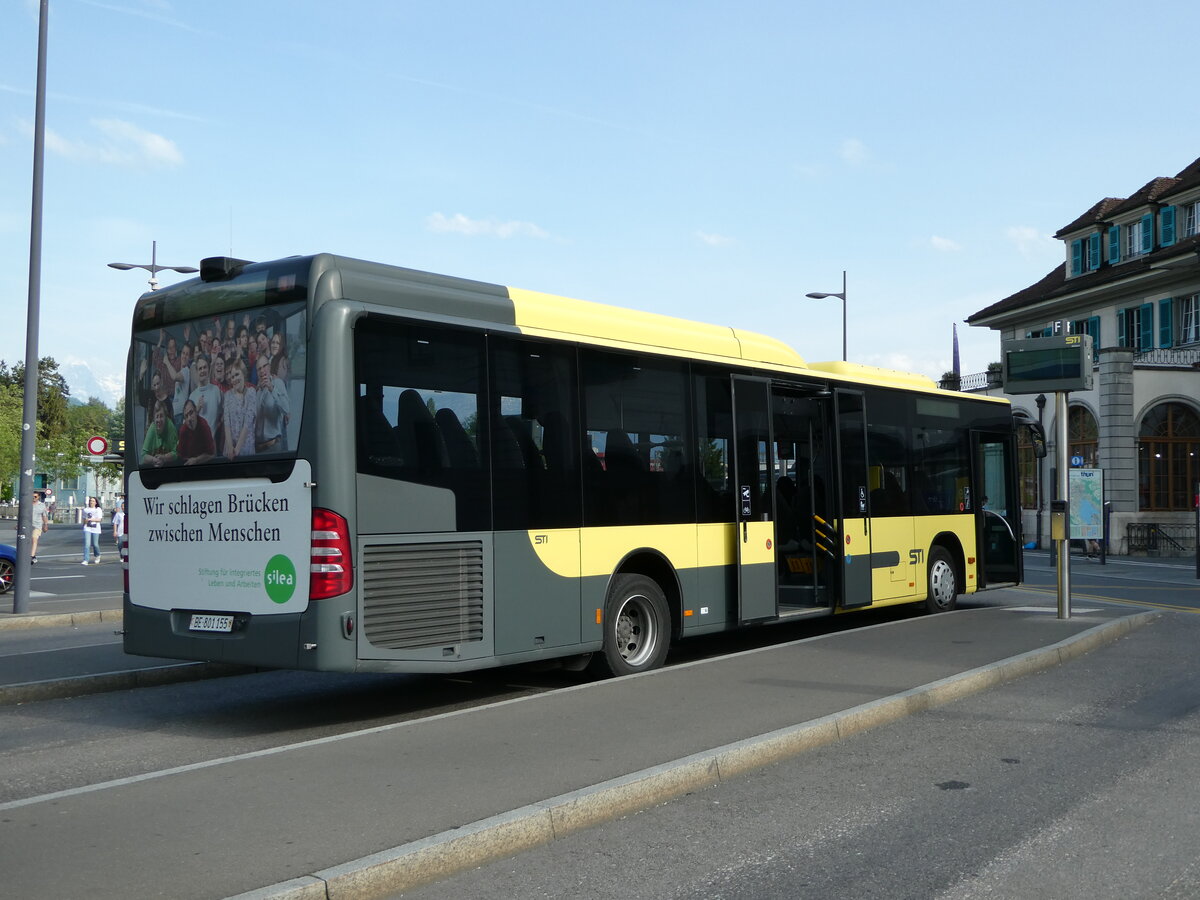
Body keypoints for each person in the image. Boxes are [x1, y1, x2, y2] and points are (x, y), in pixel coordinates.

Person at [222, 358, 257, 459]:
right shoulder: (227, 395)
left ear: (243, 374)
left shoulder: (251, 392)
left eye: (237, 374)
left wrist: (237, 449)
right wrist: (230, 448)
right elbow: (227, 423)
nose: (234, 379)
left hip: (246, 449)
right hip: (230, 451)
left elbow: (248, 422)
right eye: (232, 377)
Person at [255, 355, 290, 452]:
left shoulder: (278, 383)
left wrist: (272, 389)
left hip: (273, 446)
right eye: (259, 369)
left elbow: (286, 409)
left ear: (269, 367)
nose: (262, 371)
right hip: (257, 448)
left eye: (264, 366)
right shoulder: (256, 391)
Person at [188, 354, 223, 440]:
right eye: (200, 368)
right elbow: (187, 424)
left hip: (212, 444)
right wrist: (196, 410)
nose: (203, 370)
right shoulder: (192, 396)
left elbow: (225, 413)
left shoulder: (216, 391)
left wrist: (218, 425)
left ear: (209, 369)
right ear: (197, 371)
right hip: (197, 444)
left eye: (205, 367)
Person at [141, 398, 179, 467]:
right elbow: (143, 455)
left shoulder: (170, 425)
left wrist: (164, 458)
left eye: (161, 416)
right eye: (157, 417)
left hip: (169, 465)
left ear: (166, 417)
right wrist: (154, 460)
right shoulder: (152, 428)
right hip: (154, 464)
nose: (159, 420)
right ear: (154, 419)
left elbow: (176, 453)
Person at [178, 398, 215, 465]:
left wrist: (196, 460)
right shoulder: (183, 430)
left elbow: (212, 454)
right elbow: (181, 456)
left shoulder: (204, 426)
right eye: (186, 416)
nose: (189, 418)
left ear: (196, 412)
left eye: (191, 412)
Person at [81, 496, 103, 565]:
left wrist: (91, 520)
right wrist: (84, 524)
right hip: (87, 528)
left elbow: (99, 519)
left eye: (93, 501)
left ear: (96, 502)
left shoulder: (98, 509)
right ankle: (86, 559)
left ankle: (97, 555)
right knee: (87, 544)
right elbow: (84, 518)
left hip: (95, 528)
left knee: (95, 544)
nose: (91, 502)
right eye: (90, 501)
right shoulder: (85, 510)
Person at [30, 490, 48, 564]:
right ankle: (28, 554)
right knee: (25, 541)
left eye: (35, 496)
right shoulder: (28, 504)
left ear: (38, 497)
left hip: (37, 525)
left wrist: (45, 525)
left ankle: (32, 556)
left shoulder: (42, 505)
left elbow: (44, 516)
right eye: (32, 496)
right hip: (27, 525)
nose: (34, 498)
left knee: (34, 539)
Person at [112, 497, 126, 561]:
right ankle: (121, 555)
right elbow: (115, 523)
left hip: (127, 532)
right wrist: (115, 531)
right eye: (122, 506)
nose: (123, 507)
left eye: (124, 506)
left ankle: (126, 556)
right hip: (120, 532)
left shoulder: (129, 514)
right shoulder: (118, 514)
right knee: (120, 545)